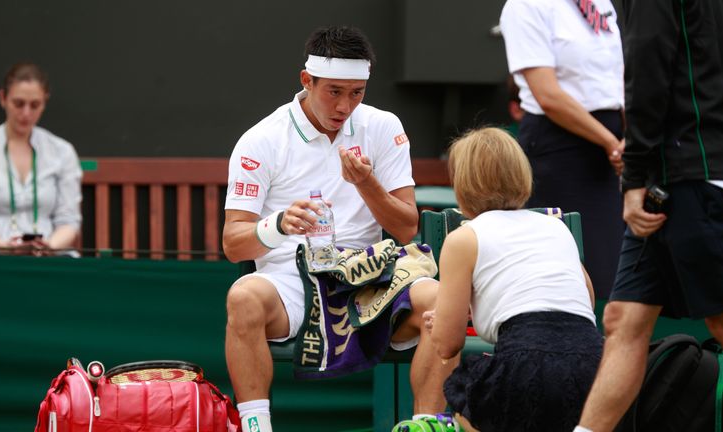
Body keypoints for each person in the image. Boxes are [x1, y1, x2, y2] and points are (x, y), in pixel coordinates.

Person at [222, 26, 456, 432]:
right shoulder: (261, 139)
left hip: (369, 273)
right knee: (243, 296)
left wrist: (366, 184)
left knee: (441, 301)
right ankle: (256, 427)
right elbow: (233, 243)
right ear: (306, 81)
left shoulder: (383, 127)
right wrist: (277, 225)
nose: (345, 104)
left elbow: (405, 228)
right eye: (334, 91)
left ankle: (426, 425)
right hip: (289, 278)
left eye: (357, 92)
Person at [574, 0, 723, 431]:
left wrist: (635, 179)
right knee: (623, 318)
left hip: (691, 178)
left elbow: (648, 68)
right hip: (681, 178)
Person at [419, 127, 602, 432]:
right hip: (594, 364)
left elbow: (448, 345)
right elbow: (586, 302)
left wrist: (439, 325)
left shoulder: (463, 238)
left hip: (524, 364)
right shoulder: (557, 228)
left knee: (465, 398)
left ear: (462, 183)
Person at [499, 0, 625, 299]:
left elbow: (618, 80)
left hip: (612, 151)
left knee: (611, 271)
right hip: (558, 151)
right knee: (570, 274)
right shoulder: (524, 6)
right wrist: (611, 143)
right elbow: (548, 94)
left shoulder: (601, 3)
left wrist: (628, 138)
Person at [0, 62, 82, 255]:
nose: (26, 113)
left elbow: (68, 219)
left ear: (45, 102)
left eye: (35, 105)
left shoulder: (62, 151)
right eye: (19, 103)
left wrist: (50, 248)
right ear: (3, 98)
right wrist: (4, 248)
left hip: (48, 256)